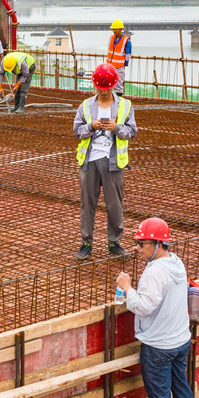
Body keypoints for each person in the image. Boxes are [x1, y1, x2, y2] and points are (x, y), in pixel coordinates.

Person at [116, 218, 199, 398]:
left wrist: (128, 287)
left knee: (160, 391)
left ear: (158, 244)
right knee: (181, 385)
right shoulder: (177, 263)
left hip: (158, 346)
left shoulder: (154, 273)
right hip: (180, 340)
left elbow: (144, 307)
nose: (138, 247)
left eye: (142, 243)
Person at [73, 64, 137, 259]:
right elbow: (77, 131)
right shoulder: (85, 105)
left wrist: (116, 127)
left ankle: (114, 242)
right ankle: (86, 243)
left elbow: (131, 131)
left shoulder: (125, 106)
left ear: (114, 86)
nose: (104, 91)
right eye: (100, 88)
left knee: (114, 204)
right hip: (89, 162)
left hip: (113, 163)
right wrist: (91, 126)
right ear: (95, 86)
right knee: (87, 204)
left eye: (107, 88)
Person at [106, 20, 131, 96]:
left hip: (119, 66)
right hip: (109, 65)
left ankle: (119, 99)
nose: (114, 31)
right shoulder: (111, 38)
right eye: (113, 29)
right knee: (108, 83)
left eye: (116, 29)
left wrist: (125, 63)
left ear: (121, 29)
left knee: (119, 84)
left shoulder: (126, 40)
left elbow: (128, 54)